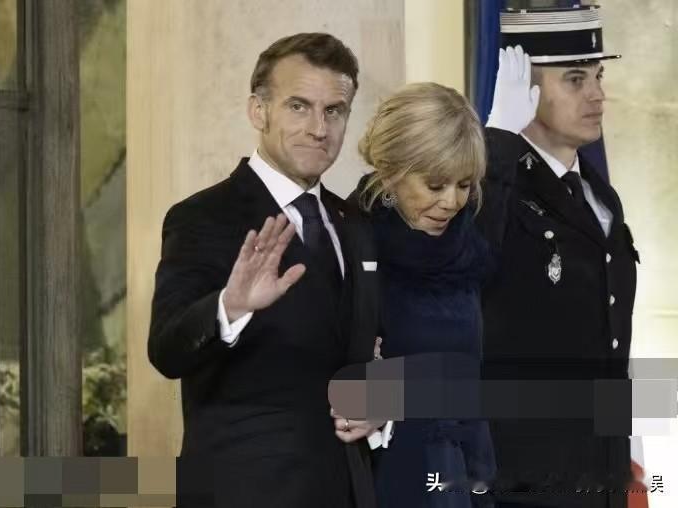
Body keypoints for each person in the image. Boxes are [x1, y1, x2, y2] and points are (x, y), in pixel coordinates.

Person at [147, 33, 381, 508]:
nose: (319, 128)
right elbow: (167, 350)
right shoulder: (203, 217)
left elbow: (376, 342)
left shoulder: (355, 222)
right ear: (259, 111)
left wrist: (383, 405)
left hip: (350, 491)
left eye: (334, 111)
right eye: (299, 107)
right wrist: (229, 307)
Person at [477, 5, 638, 507]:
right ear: (524, 87)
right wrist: (496, 143)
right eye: (574, 79)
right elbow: (468, 260)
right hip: (526, 475)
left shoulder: (598, 194)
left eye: (598, 76)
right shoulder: (494, 188)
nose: (597, 95)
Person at [351, 82, 496, 507]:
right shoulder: (353, 244)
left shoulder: (470, 247)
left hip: (466, 468)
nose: (451, 202)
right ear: (391, 172)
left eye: (464, 184)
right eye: (435, 185)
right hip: (390, 475)